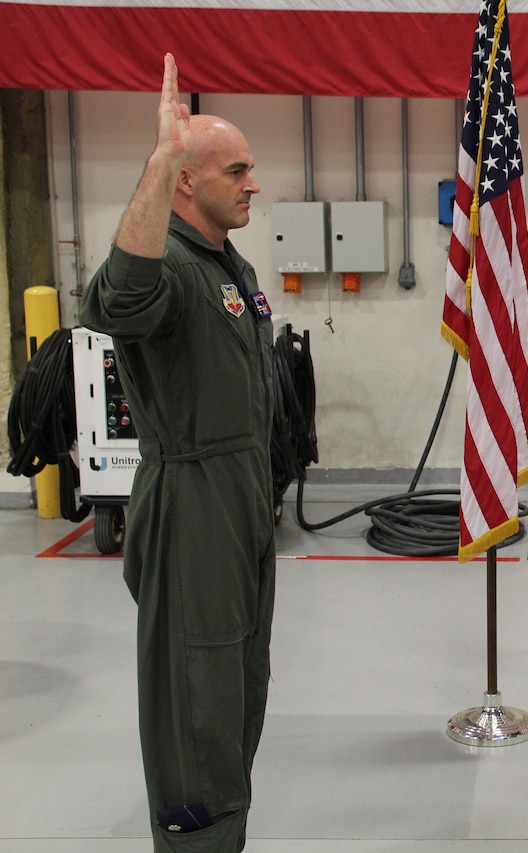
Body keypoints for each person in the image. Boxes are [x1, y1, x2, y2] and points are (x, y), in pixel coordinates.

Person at [78, 54, 275, 853]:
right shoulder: (169, 273)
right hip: (193, 505)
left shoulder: (229, 265)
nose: (252, 183)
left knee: (235, 690)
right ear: (187, 183)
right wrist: (158, 159)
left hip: (242, 499)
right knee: (197, 699)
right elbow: (116, 301)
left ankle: (223, 833)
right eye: (236, 170)